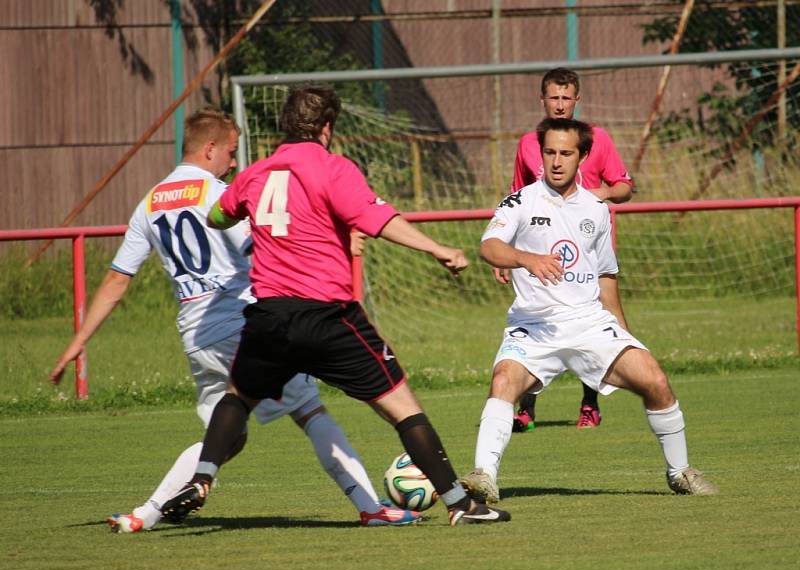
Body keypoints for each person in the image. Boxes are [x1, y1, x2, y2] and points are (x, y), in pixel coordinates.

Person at [49, 108, 423, 532]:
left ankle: (144, 515)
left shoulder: (150, 202)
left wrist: (79, 341)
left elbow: (118, 279)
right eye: (229, 152)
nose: (233, 162)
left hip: (196, 336)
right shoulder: (218, 194)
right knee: (311, 410)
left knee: (226, 436)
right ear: (209, 149)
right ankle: (371, 507)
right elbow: (267, 241)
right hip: (239, 325)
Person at [160, 85, 510, 526]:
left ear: (285, 126)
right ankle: (461, 504)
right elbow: (379, 220)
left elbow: (218, 216)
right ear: (327, 128)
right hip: (328, 317)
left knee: (238, 397)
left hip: (269, 318)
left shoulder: (256, 172)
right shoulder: (332, 168)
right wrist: (437, 248)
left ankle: (204, 476)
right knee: (402, 406)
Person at [461, 117, 717, 503]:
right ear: (541, 154)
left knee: (656, 381)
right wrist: (525, 258)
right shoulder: (520, 201)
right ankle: (484, 476)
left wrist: (624, 333)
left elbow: (605, 277)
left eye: (566, 153)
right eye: (550, 152)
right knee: (503, 382)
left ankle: (680, 472)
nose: (557, 161)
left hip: (588, 323)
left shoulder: (597, 209)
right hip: (534, 327)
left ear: (582, 156)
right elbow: (489, 247)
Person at [506, 67, 634, 432]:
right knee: (537, 321)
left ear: (576, 101)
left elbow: (624, 186)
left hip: (588, 253)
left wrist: (603, 193)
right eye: (553, 97)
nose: (560, 105)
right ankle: (527, 408)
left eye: (566, 98)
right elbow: (517, 198)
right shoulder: (527, 144)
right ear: (542, 100)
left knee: (590, 324)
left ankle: (590, 404)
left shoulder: (597, 139)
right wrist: (507, 252)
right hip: (540, 256)